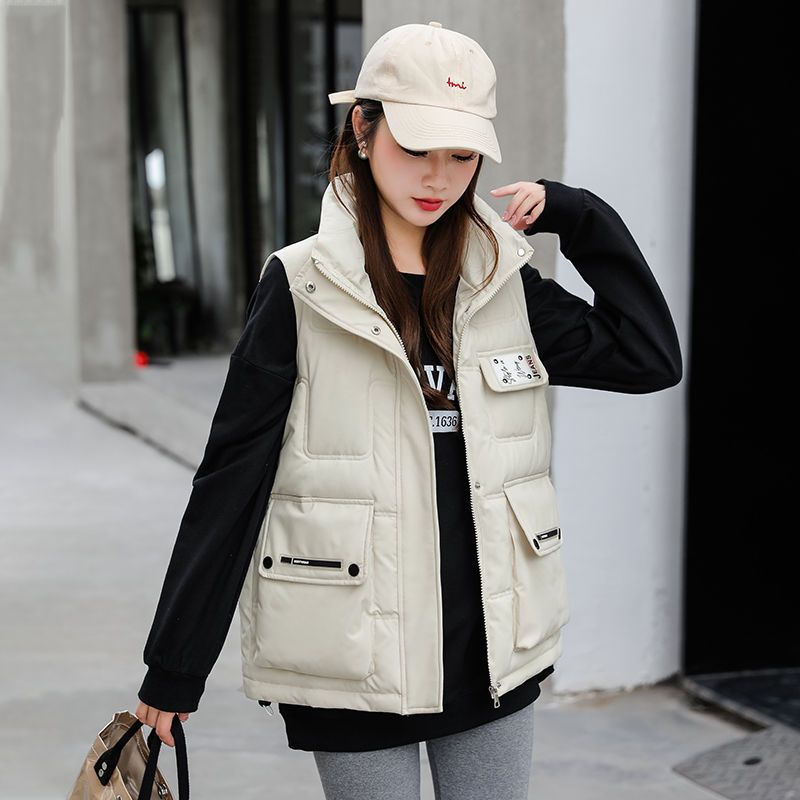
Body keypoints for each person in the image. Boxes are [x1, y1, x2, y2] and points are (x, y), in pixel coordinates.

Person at [135, 20, 682, 800]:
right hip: (356, 658)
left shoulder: (502, 285)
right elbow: (232, 479)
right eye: (418, 147)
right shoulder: (303, 286)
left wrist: (580, 216)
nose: (439, 177)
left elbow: (648, 357)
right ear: (363, 130)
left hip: (489, 656)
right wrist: (175, 666)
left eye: (462, 155)